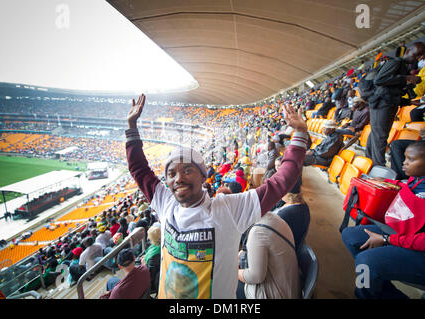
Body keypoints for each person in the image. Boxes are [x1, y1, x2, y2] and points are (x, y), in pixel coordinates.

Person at [125, 94, 308, 299]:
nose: (178, 179)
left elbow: (281, 182)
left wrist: (300, 133)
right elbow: (139, 170)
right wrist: (132, 127)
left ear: (203, 176)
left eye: (187, 170)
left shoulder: (228, 209)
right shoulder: (165, 203)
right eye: (171, 174)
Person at [342, 140, 425, 298]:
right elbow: (409, 186)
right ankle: (380, 291)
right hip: (409, 235)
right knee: (350, 235)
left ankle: (364, 293)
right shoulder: (422, 179)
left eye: (411, 160)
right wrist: (389, 182)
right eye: (405, 158)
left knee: (366, 262)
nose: (404, 163)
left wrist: (388, 239)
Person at [365, 42, 425, 166]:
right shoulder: (395, 62)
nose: (416, 58)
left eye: (419, 56)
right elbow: (380, 80)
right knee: (380, 135)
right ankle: (378, 166)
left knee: (377, 134)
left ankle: (371, 162)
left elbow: (393, 92)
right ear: (408, 50)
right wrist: (406, 78)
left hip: (388, 104)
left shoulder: (403, 67)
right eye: (415, 54)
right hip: (382, 104)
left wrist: (409, 101)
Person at [237, 213, 300, 299]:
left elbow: (255, 277)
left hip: (277, 294)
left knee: (226, 281)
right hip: (289, 288)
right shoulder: (274, 218)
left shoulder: (257, 232)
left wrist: (233, 272)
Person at [141, 225, 161, 294]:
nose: (148, 237)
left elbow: (149, 275)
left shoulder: (154, 256)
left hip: (151, 283)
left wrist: (144, 264)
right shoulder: (158, 244)